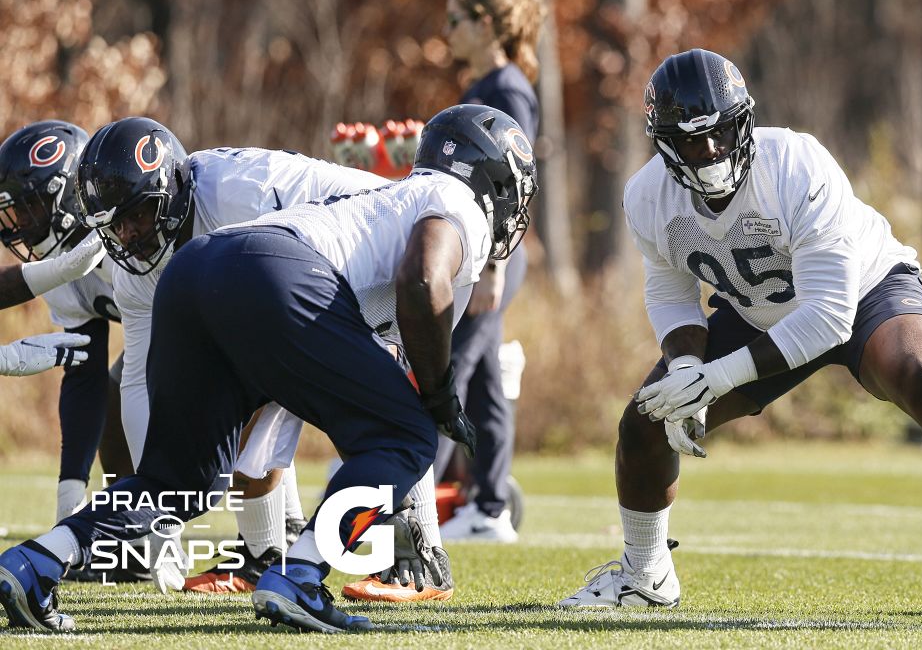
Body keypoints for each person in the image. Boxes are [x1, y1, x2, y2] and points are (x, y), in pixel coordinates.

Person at [0, 104, 537, 633]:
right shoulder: (457, 198)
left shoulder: (391, 192)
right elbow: (422, 281)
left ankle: (35, 563)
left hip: (193, 271)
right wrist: (441, 397)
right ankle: (299, 574)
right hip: (278, 270)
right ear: (496, 177)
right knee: (406, 435)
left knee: (177, 484)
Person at [558, 49, 922, 615]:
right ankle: (644, 575)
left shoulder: (795, 164)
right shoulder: (647, 196)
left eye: (720, 132)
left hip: (863, 291)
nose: (710, 150)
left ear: (745, 121)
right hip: (757, 307)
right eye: (691, 140)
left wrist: (719, 376)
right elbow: (670, 294)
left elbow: (830, 315)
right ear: (663, 142)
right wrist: (687, 367)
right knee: (644, 424)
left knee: (921, 378)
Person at [74, 117, 388, 594]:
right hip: (299, 282)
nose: (129, 234)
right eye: (115, 224)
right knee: (234, 403)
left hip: (377, 254)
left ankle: (415, 554)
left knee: (362, 414)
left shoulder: (237, 198)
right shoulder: (134, 271)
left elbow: (284, 307)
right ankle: (267, 552)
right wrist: (161, 514)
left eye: (137, 214)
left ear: (171, 190)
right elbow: (140, 382)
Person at [436, 0, 544, 543]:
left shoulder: (507, 91)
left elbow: (513, 184)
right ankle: (490, 507)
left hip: (493, 259)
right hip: (477, 257)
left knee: (445, 370)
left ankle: (410, 512)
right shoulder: (480, 85)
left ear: (483, 24)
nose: (446, 31)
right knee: (483, 384)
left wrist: (494, 266)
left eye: (454, 20)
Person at [0, 120, 134, 528]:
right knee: (114, 400)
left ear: (68, 196)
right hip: (162, 332)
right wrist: (69, 496)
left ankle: (271, 539)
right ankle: (132, 536)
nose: (19, 223)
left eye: (29, 206)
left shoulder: (129, 235)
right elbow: (84, 372)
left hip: (210, 323)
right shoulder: (59, 267)